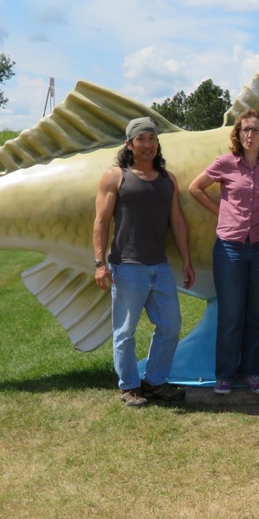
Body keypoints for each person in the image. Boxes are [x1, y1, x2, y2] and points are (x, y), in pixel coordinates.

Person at [93, 117, 195, 407]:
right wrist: (99, 263)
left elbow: (177, 221)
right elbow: (100, 222)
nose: (148, 144)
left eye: (152, 138)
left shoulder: (168, 179)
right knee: (125, 332)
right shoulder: (116, 176)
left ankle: (154, 381)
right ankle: (128, 386)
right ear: (129, 144)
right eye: (141, 139)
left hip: (160, 267)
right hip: (126, 267)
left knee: (171, 326)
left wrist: (186, 260)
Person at [189, 109, 259, 396]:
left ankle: (251, 372)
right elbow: (196, 188)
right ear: (237, 133)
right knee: (231, 314)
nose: (249, 135)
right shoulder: (226, 163)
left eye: (255, 130)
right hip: (230, 248)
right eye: (245, 129)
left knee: (258, 315)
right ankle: (225, 375)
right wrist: (220, 210)